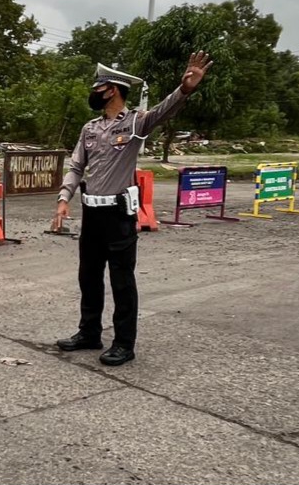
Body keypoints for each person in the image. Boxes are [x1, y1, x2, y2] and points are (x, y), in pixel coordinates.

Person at [52, 51, 212, 366]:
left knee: (122, 280)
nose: (94, 93)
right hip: (92, 214)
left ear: (112, 89)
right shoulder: (90, 128)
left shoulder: (136, 123)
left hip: (119, 215)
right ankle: (89, 332)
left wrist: (185, 89)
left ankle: (124, 343)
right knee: (89, 276)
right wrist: (63, 198)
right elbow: (76, 167)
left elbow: (164, 111)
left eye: (98, 88)